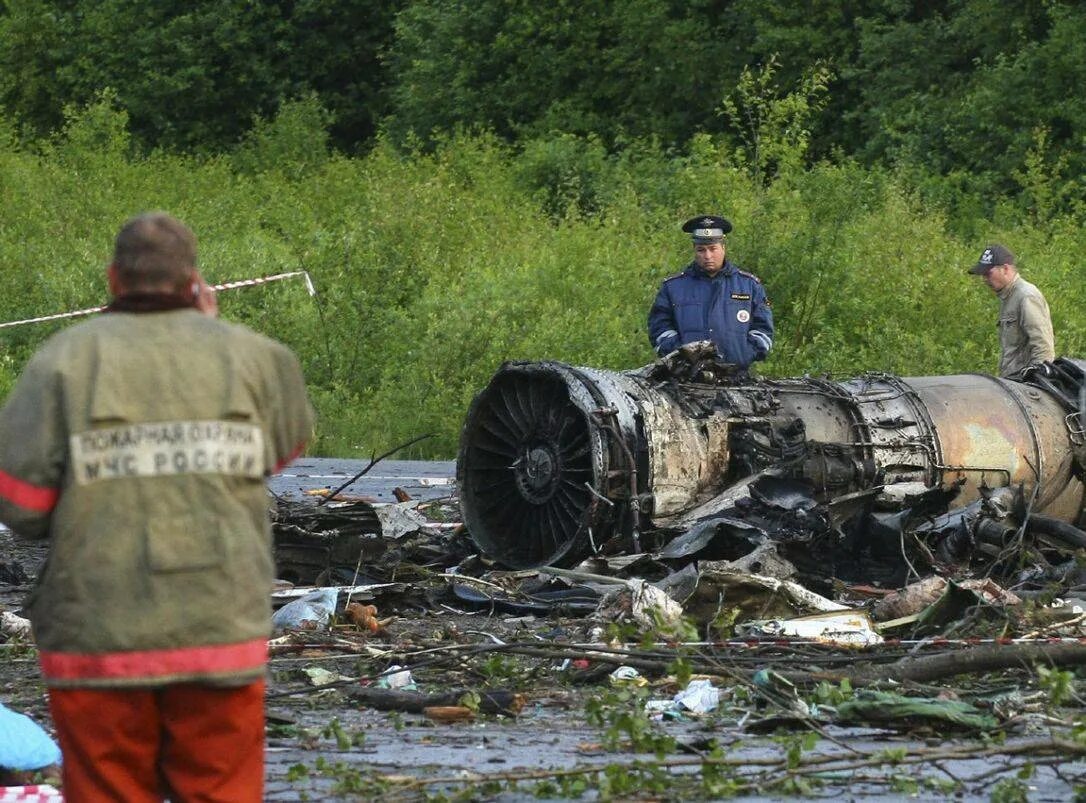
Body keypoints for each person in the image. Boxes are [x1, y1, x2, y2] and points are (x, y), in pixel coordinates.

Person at [0, 212, 314, 802]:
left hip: (98, 633)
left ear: (115, 279)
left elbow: (20, 505)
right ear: (195, 282)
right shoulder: (259, 358)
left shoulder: (63, 362)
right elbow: (280, 453)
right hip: (219, 627)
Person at [647, 215, 774, 371]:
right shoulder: (673, 287)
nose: (708, 256)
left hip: (737, 377)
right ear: (694, 249)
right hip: (685, 379)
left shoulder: (750, 285)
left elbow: (764, 329)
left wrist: (743, 354)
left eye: (713, 249)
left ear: (723, 248)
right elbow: (658, 327)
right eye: (701, 250)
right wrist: (680, 354)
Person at [967, 243, 1055, 379]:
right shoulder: (1008, 297)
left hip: (1026, 387)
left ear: (1005, 269)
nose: (984, 279)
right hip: (1013, 382)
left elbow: (1043, 348)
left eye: (988, 273)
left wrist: (1036, 381)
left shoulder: (1026, 296)